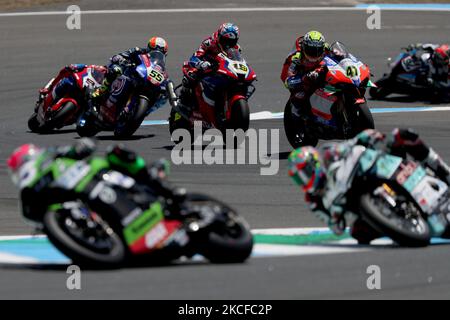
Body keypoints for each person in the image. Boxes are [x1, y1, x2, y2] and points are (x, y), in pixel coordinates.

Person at [287, 128, 450, 243]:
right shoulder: (313, 200)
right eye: (299, 178)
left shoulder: (331, 156)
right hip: (357, 207)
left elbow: (351, 143)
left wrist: (368, 136)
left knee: (402, 136)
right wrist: (335, 216)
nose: (305, 179)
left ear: (315, 163)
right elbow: (336, 228)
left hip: (370, 170)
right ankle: (400, 225)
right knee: (358, 233)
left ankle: (444, 171)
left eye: (305, 172)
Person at [7, 138, 183, 223]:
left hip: (91, 175)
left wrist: (82, 146)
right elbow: (34, 219)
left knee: (115, 152)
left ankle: (152, 178)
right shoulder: (29, 195)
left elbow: (77, 149)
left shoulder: (50, 157)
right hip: (79, 204)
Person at [178, 22, 241, 120]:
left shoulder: (236, 48)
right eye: (225, 41)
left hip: (223, 70)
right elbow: (194, 57)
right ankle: (183, 102)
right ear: (220, 37)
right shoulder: (209, 42)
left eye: (231, 42)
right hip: (206, 68)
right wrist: (201, 64)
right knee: (190, 75)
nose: (228, 45)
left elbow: (237, 61)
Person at [91, 36, 169, 100]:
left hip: (143, 79)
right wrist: (122, 60)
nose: (156, 51)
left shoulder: (160, 66)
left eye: (161, 50)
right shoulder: (138, 51)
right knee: (116, 70)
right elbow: (119, 56)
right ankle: (101, 89)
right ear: (149, 47)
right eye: (153, 47)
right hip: (127, 72)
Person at [280, 31, 330, 123]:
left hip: (322, 72)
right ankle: (301, 117)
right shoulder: (296, 58)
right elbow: (288, 81)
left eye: (317, 50)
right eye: (311, 50)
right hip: (304, 78)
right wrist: (304, 78)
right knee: (299, 96)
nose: (314, 54)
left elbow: (339, 56)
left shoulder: (327, 48)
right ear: (304, 47)